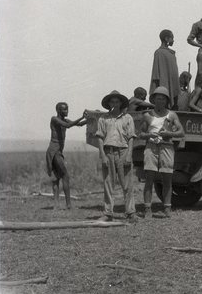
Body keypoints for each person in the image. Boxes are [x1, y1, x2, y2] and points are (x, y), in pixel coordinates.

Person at [139, 87, 184, 218]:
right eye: (158, 98)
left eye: (163, 99)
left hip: (167, 147)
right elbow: (140, 134)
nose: (160, 101)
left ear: (166, 101)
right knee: (149, 178)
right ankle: (147, 208)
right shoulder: (148, 116)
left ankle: (167, 208)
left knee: (167, 179)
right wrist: (149, 135)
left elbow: (181, 132)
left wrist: (169, 133)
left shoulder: (172, 115)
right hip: (151, 147)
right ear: (153, 100)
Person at [95, 91, 138, 222]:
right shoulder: (103, 118)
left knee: (127, 184)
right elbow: (100, 138)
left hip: (123, 151)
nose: (114, 104)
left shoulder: (128, 118)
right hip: (108, 152)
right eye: (112, 102)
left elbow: (131, 138)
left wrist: (129, 155)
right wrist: (102, 155)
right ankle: (108, 213)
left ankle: (130, 212)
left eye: (117, 102)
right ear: (108, 104)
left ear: (121, 103)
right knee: (108, 183)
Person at [45, 103, 87, 210]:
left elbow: (80, 124)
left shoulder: (65, 120)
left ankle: (56, 205)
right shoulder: (54, 119)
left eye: (67, 109)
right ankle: (68, 205)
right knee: (64, 176)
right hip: (54, 151)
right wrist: (82, 116)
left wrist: (91, 117)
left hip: (58, 151)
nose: (66, 111)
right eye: (64, 110)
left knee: (57, 178)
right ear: (58, 110)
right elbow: (68, 125)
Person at [150, 29, 180, 110]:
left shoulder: (171, 53)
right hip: (164, 84)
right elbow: (156, 73)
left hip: (173, 83)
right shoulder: (159, 52)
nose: (173, 40)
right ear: (166, 38)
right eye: (172, 38)